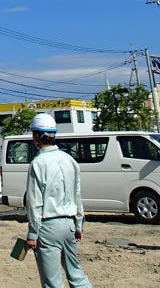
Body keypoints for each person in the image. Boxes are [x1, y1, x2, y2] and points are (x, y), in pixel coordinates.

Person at [25, 113, 92, 288]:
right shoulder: (70, 160)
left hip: (48, 226)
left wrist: (33, 234)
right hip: (69, 224)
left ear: (36, 136)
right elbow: (77, 195)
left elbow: (34, 202)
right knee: (76, 273)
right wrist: (78, 225)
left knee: (52, 281)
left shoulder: (38, 163)